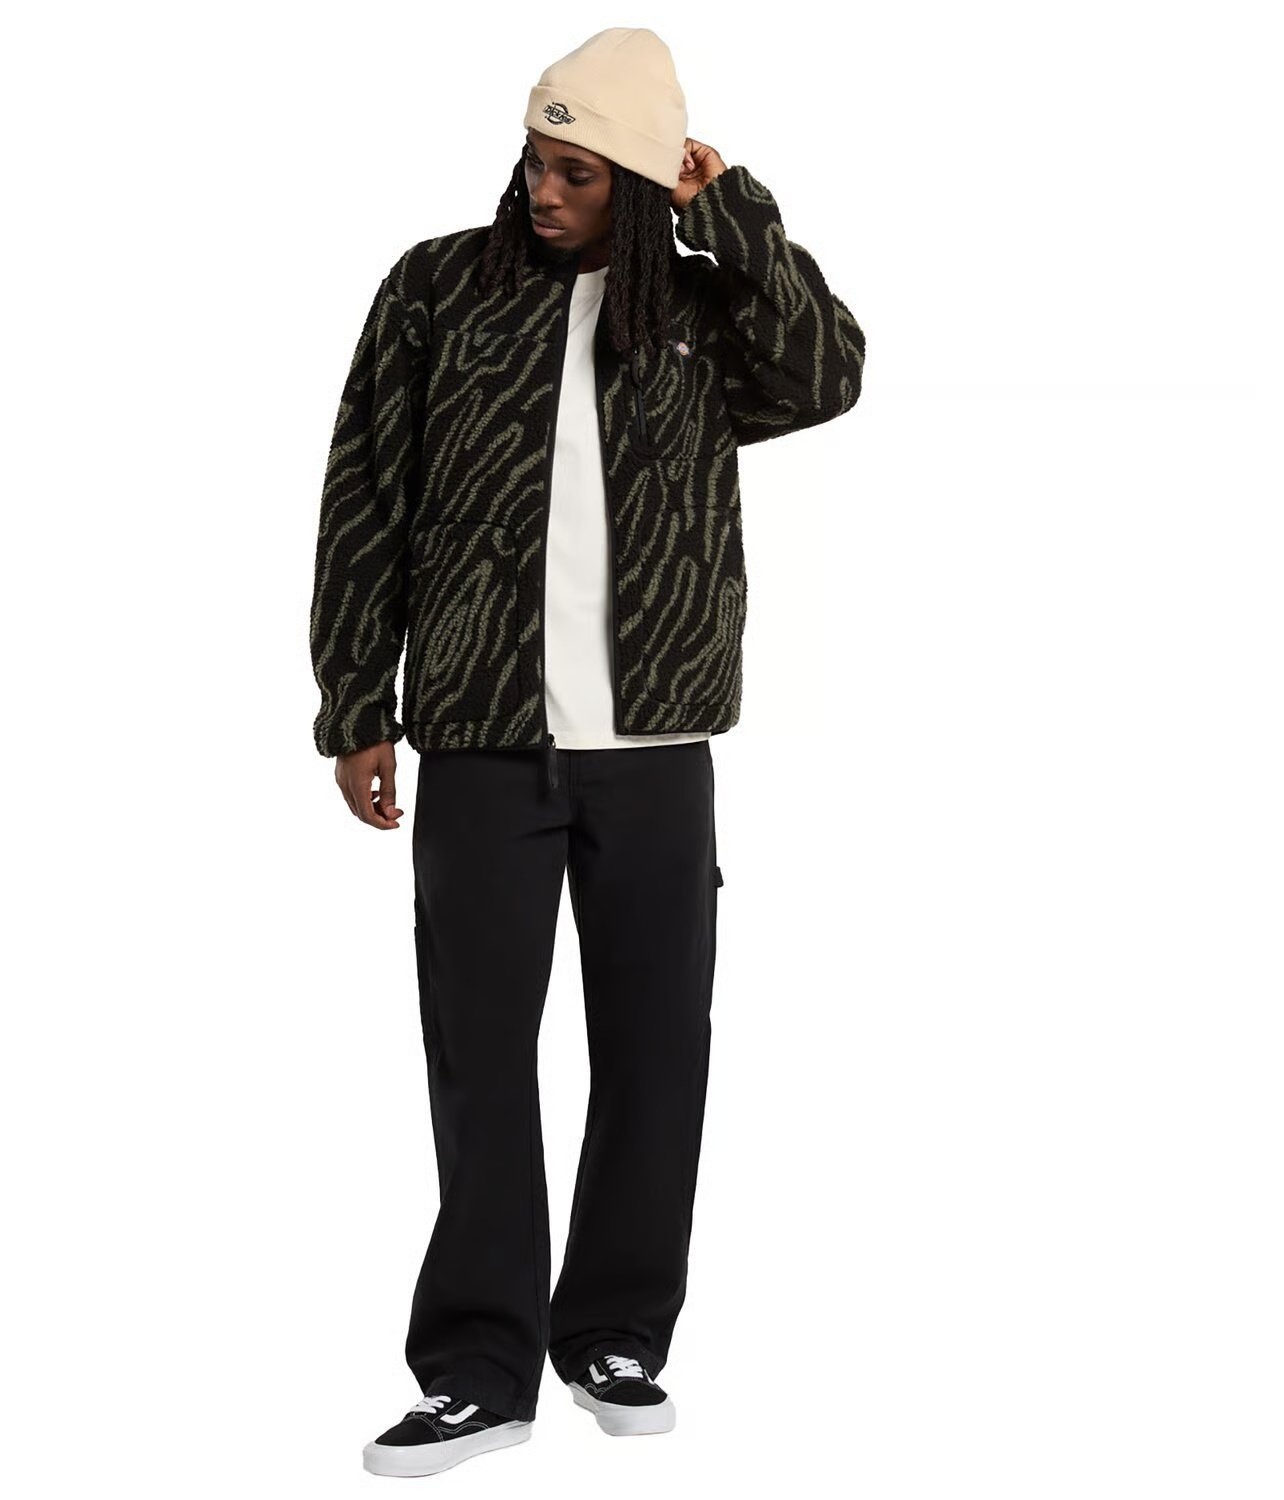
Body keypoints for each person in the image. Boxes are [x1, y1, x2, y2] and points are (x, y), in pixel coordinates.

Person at [308, 27, 866, 1478]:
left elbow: (828, 371)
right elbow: (366, 489)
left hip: (656, 743)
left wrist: (728, 205)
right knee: (479, 1060)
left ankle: (615, 1333)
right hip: (484, 738)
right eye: (536, 162)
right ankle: (477, 1370)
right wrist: (355, 700)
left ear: (638, 180)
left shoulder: (696, 312)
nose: (545, 192)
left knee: (656, 1053)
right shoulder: (438, 289)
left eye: (580, 173)